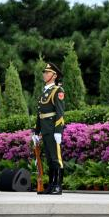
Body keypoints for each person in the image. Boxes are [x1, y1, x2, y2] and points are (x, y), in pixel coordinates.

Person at [33, 61, 66, 195]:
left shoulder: (58, 90)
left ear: (54, 76)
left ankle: (58, 185)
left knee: (56, 158)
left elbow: (60, 113)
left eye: (47, 73)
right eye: (44, 72)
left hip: (53, 129)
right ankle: (51, 185)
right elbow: (40, 114)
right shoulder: (44, 92)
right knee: (49, 158)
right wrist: (36, 131)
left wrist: (58, 131)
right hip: (45, 129)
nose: (45, 74)